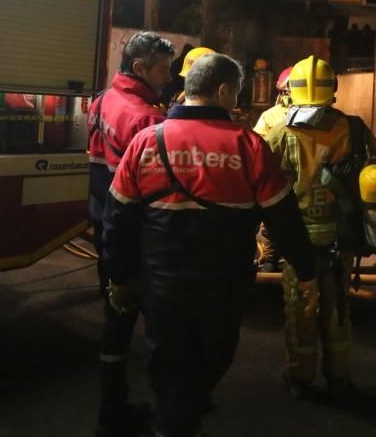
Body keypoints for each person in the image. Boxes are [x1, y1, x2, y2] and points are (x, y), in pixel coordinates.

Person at [101, 53, 317, 437]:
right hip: (223, 288)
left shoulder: (146, 143)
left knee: (167, 362)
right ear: (222, 91)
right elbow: (284, 218)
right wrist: (306, 272)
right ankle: (177, 421)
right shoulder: (248, 146)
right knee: (211, 359)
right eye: (236, 91)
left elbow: (117, 220)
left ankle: (178, 415)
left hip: (161, 287)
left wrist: (118, 278)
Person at [259, 55, 376, 403]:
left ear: (291, 92)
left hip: (296, 244)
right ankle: (339, 378)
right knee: (337, 310)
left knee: (300, 310)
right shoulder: (354, 129)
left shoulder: (280, 132)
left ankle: (300, 377)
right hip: (341, 241)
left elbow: (260, 183)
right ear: (333, 90)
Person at [87, 30, 175, 437]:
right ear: (139, 68)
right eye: (162, 69)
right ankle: (166, 415)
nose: (168, 77)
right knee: (159, 329)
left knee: (115, 324)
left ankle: (110, 405)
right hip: (140, 239)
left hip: (105, 226)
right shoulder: (147, 119)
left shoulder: (103, 99)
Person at [253, 67, 294, 272]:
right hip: (314, 193)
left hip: (276, 187)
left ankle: (269, 261)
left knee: (271, 225)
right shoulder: (331, 120)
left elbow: (256, 153)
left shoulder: (270, 117)